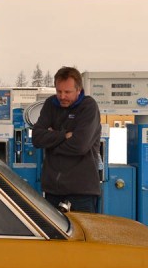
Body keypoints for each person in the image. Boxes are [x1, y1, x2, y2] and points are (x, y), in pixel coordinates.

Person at [32, 66, 102, 213]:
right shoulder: (51, 104)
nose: (62, 96)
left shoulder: (88, 107)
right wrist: (63, 135)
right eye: (59, 91)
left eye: (67, 92)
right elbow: (37, 138)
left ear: (79, 90)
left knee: (83, 235)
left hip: (82, 193)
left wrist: (50, 143)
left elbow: (80, 146)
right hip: (53, 192)